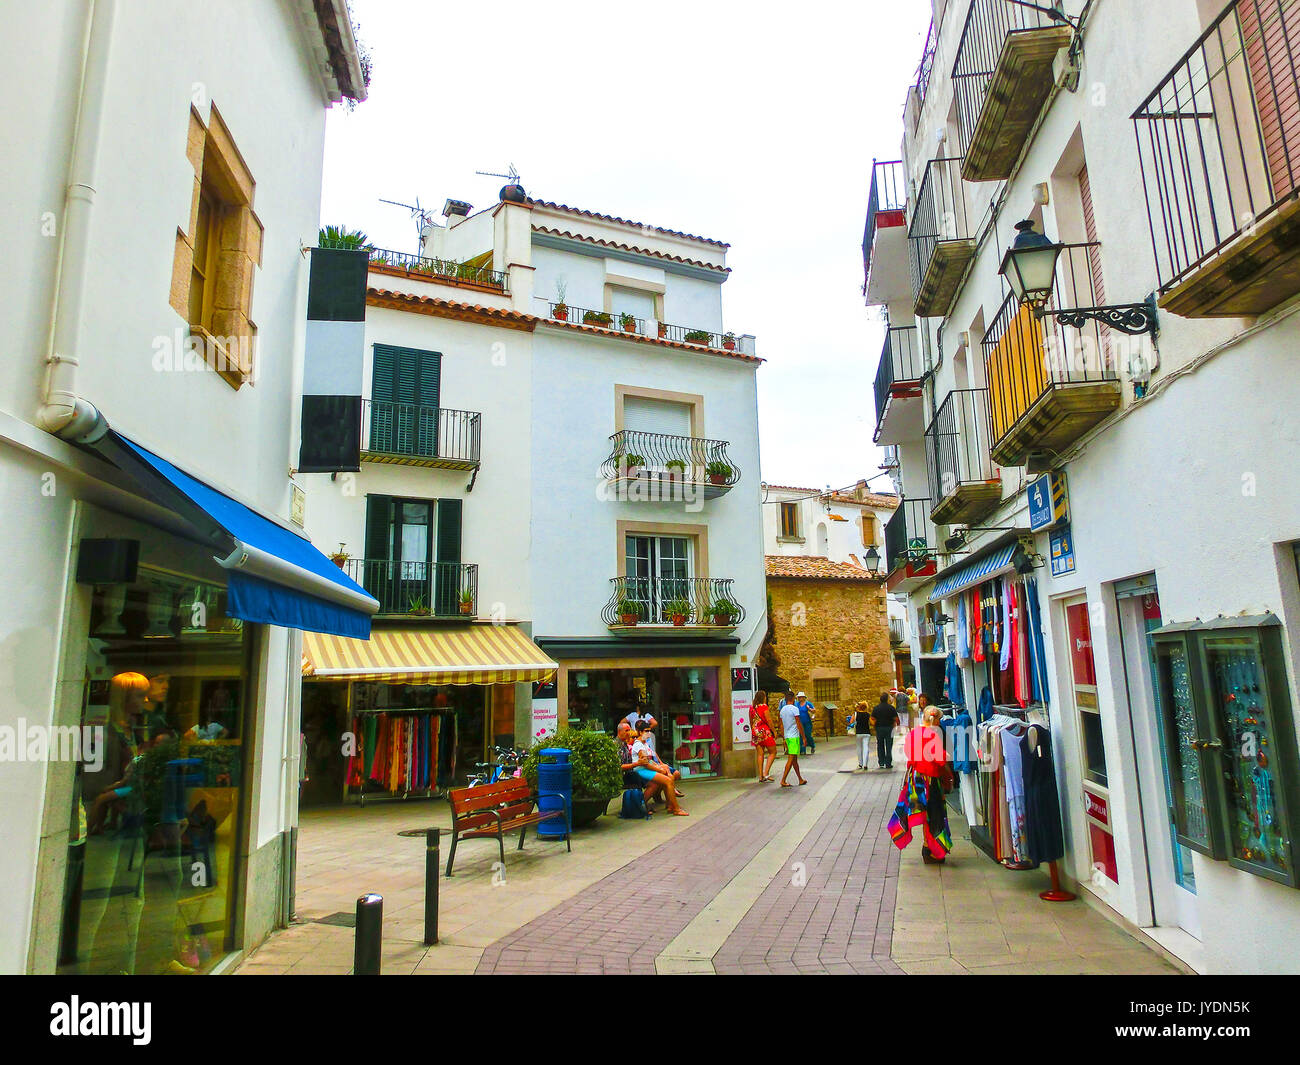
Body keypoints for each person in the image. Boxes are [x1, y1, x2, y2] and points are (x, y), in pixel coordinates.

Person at [887, 705, 954, 864]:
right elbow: (939, 759)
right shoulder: (932, 735)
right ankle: (931, 849)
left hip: (915, 779)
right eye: (938, 719)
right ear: (935, 719)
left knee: (925, 815)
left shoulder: (914, 733)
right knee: (934, 814)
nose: (939, 723)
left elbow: (909, 755)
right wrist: (947, 755)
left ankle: (928, 848)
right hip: (930, 780)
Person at [630, 719, 686, 815]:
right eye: (646, 731)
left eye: (649, 730)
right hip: (641, 770)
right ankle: (676, 809)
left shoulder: (645, 743)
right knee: (668, 780)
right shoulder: (638, 745)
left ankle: (670, 806)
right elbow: (645, 763)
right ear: (640, 732)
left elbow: (650, 760)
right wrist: (659, 769)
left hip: (647, 768)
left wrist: (660, 766)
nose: (648, 733)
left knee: (670, 777)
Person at [778, 696, 807, 788]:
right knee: (791, 758)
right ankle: (783, 780)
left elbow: (781, 725)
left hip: (787, 737)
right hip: (794, 737)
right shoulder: (795, 709)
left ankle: (800, 779)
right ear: (793, 699)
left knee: (794, 759)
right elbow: (799, 723)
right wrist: (803, 737)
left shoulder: (782, 710)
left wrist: (783, 738)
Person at [750, 690, 777, 782]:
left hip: (755, 732)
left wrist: (753, 731)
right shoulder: (764, 707)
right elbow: (768, 720)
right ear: (763, 698)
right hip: (764, 732)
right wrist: (774, 731)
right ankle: (766, 773)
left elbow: (751, 721)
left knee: (760, 754)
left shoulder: (752, 708)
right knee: (773, 752)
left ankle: (760, 776)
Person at [871, 691, 900, 770]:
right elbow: (896, 718)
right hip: (889, 728)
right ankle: (888, 763)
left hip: (879, 728)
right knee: (889, 745)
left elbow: (873, 719)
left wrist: (874, 726)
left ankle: (881, 762)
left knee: (880, 745)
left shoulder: (876, 708)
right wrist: (897, 725)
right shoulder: (891, 708)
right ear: (887, 699)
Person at [853, 700, 874, 770]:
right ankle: (865, 764)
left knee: (859, 748)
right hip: (866, 733)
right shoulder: (868, 715)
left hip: (858, 733)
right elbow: (872, 723)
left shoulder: (855, 714)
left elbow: (851, 722)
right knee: (866, 747)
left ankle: (860, 763)